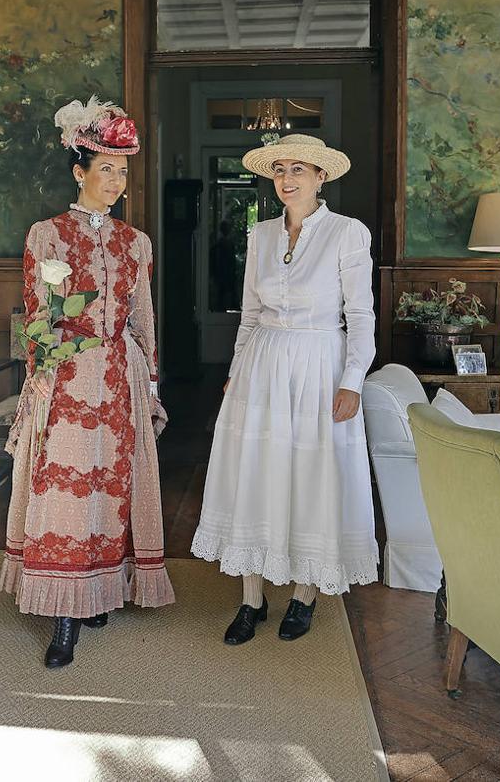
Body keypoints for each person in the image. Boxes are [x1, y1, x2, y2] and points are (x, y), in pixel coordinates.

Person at [0, 97, 174, 668]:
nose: (117, 181)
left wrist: (147, 380)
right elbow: (40, 314)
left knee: (112, 488)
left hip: (120, 378)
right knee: (67, 492)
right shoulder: (47, 235)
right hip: (69, 379)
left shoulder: (136, 243)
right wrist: (45, 373)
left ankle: (99, 593)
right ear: (80, 171)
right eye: (106, 169)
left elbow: (143, 319)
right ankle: (64, 616)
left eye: (123, 171)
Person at [191, 133, 377, 644]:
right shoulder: (261, 234)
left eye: (299, 169)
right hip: (263, 364)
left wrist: (352, 380)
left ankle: (304, 593)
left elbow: (360, 314)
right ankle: (251, 597)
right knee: (254, 469)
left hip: (321, 363)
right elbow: (251, 313)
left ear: (321, 178)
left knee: (313, 472)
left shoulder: (346, 233)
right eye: (280, 169)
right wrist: (236, 368)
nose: (288, 178)